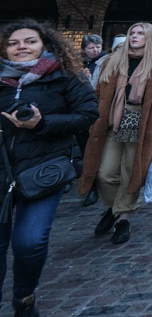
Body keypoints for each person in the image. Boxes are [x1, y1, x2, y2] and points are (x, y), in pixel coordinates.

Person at [0, 20, 98, 316]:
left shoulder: (67, 76)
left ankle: (24, 297)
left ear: (45, 44)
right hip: (2, 169)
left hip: (42, 170)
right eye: (14, 43)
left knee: (29, 241)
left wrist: (42, 123)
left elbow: (87, 115)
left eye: (30, 41)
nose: (22, 47)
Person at [79, 23, 152, 246]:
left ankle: (123, 218)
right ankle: (116, 209)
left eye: (140, 33)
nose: (134, 36)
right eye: (132, 33)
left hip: (141, 121)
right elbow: (99, 91)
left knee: (131, 171)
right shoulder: (114, 59)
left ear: (150, 37)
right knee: (105, 172)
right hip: (113, 118)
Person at [78, 34, 104, 207]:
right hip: (81, 111)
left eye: (98, 46)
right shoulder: (78, 65)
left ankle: (97, 185)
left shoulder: (106, 62)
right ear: (84, 49)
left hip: (98, 110)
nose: (95, 50)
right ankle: (91, 184)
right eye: (91, 47)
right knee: (85, 149)